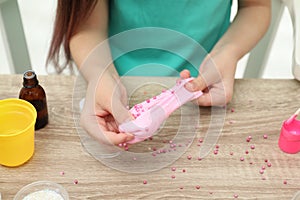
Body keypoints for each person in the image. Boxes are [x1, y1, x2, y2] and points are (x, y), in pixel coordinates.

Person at [47, 0, 271, 146]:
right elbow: (87, 26)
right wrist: (100, 75)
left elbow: (256, 7)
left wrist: (228, 52)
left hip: (204, 82)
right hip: (113, 83)